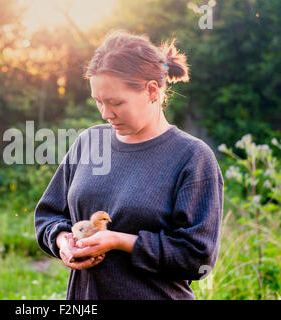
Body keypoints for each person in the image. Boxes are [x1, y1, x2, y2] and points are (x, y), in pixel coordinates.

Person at [34, 29, 224, 300]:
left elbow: (198, 258)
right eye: (98, 101)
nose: (105, 113)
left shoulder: (192, 157)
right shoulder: (90, 142)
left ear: (151, 91)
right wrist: (62, 240)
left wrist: (119, 241)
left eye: (115, 102)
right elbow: (48, 216)